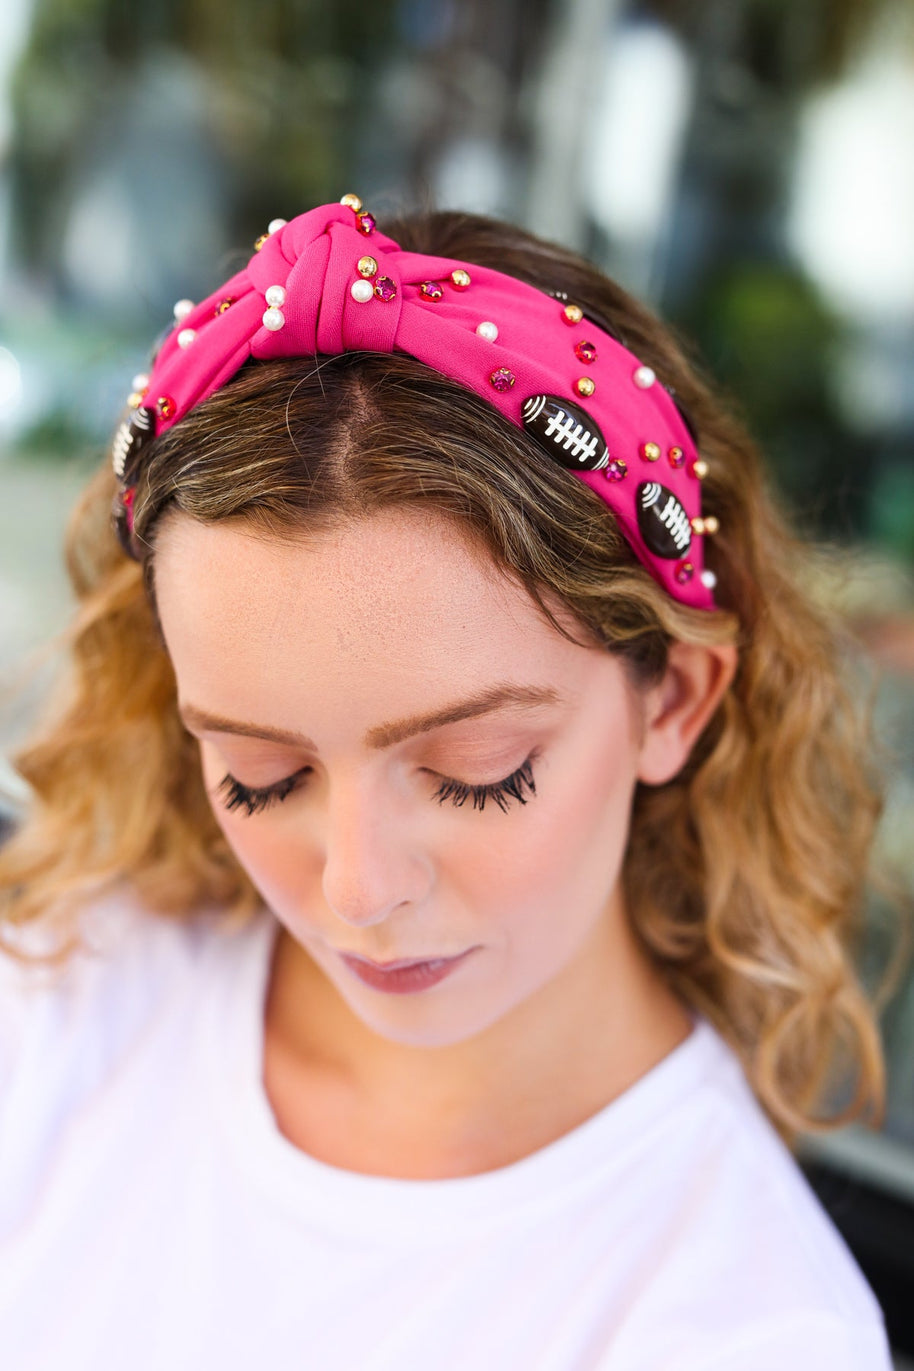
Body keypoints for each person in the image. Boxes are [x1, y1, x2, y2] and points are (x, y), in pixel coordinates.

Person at [0, 195, 900, 1369]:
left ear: (670, 698)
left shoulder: (740, 1323)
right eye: (261, 774)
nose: (359, 887)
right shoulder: (63, 994)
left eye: (478, 773)